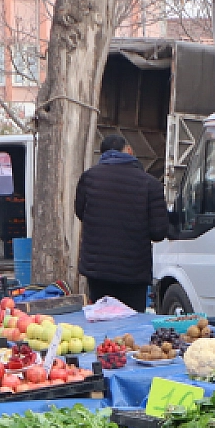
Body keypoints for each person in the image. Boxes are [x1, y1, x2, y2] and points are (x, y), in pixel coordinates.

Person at [73, 133, 167, 312]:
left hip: (97, 271)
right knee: (132, 328)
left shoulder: (89, 178)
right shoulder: (150, 185)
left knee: (102, 323)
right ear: (129, 151)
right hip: (133, 272)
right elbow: (158, 232)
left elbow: (81, 213)